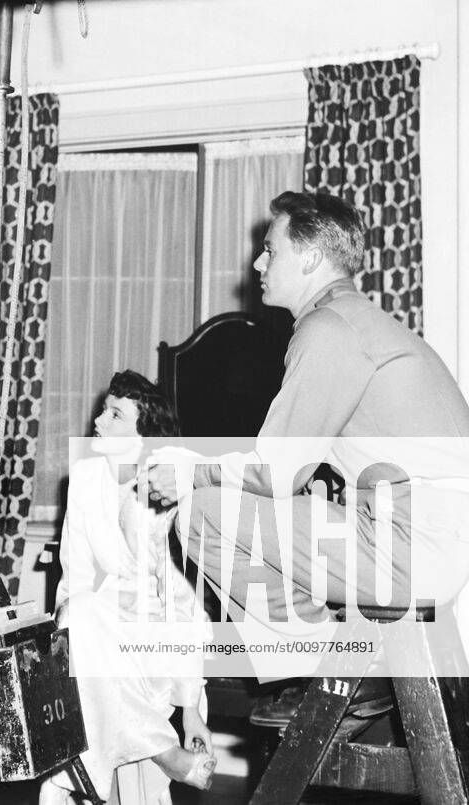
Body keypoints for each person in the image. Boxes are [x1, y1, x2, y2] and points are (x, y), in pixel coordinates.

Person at [147, 191, 469, 701]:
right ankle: (340, 659)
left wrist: (190, 471)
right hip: (431, 540)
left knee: (201, 511)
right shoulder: (360, 322)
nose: (257, 262)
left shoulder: (328, 328)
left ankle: (326, 669)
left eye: (271, 250)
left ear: (312, 257)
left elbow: (276, 473)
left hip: (413, 549)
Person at [40, 371, 215, 805]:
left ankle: (85, 784)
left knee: (91, 642)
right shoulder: (83, 478)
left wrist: (190, 705)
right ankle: (164, 752)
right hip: (101, 628)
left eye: (116, 415)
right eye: (104, 409)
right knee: (79, 615)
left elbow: (182, 603)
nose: (98, 421)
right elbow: (74, 575)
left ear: (144, 436)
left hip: (159, 640)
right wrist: (65, 645)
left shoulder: (168, 487)